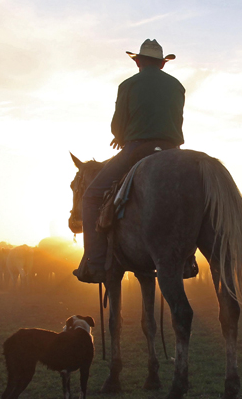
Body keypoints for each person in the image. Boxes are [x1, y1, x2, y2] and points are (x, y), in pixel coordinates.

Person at [73, 39, 185, 284]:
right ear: (163, 65)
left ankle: (96, 262)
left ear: (138, 62)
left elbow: (118, 124)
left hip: (137, 148)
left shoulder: (128, 85)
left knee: (91, 196)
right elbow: (175, 121)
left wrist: (120, 137)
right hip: (172, 150)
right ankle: (187, 258)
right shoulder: (177, 86)